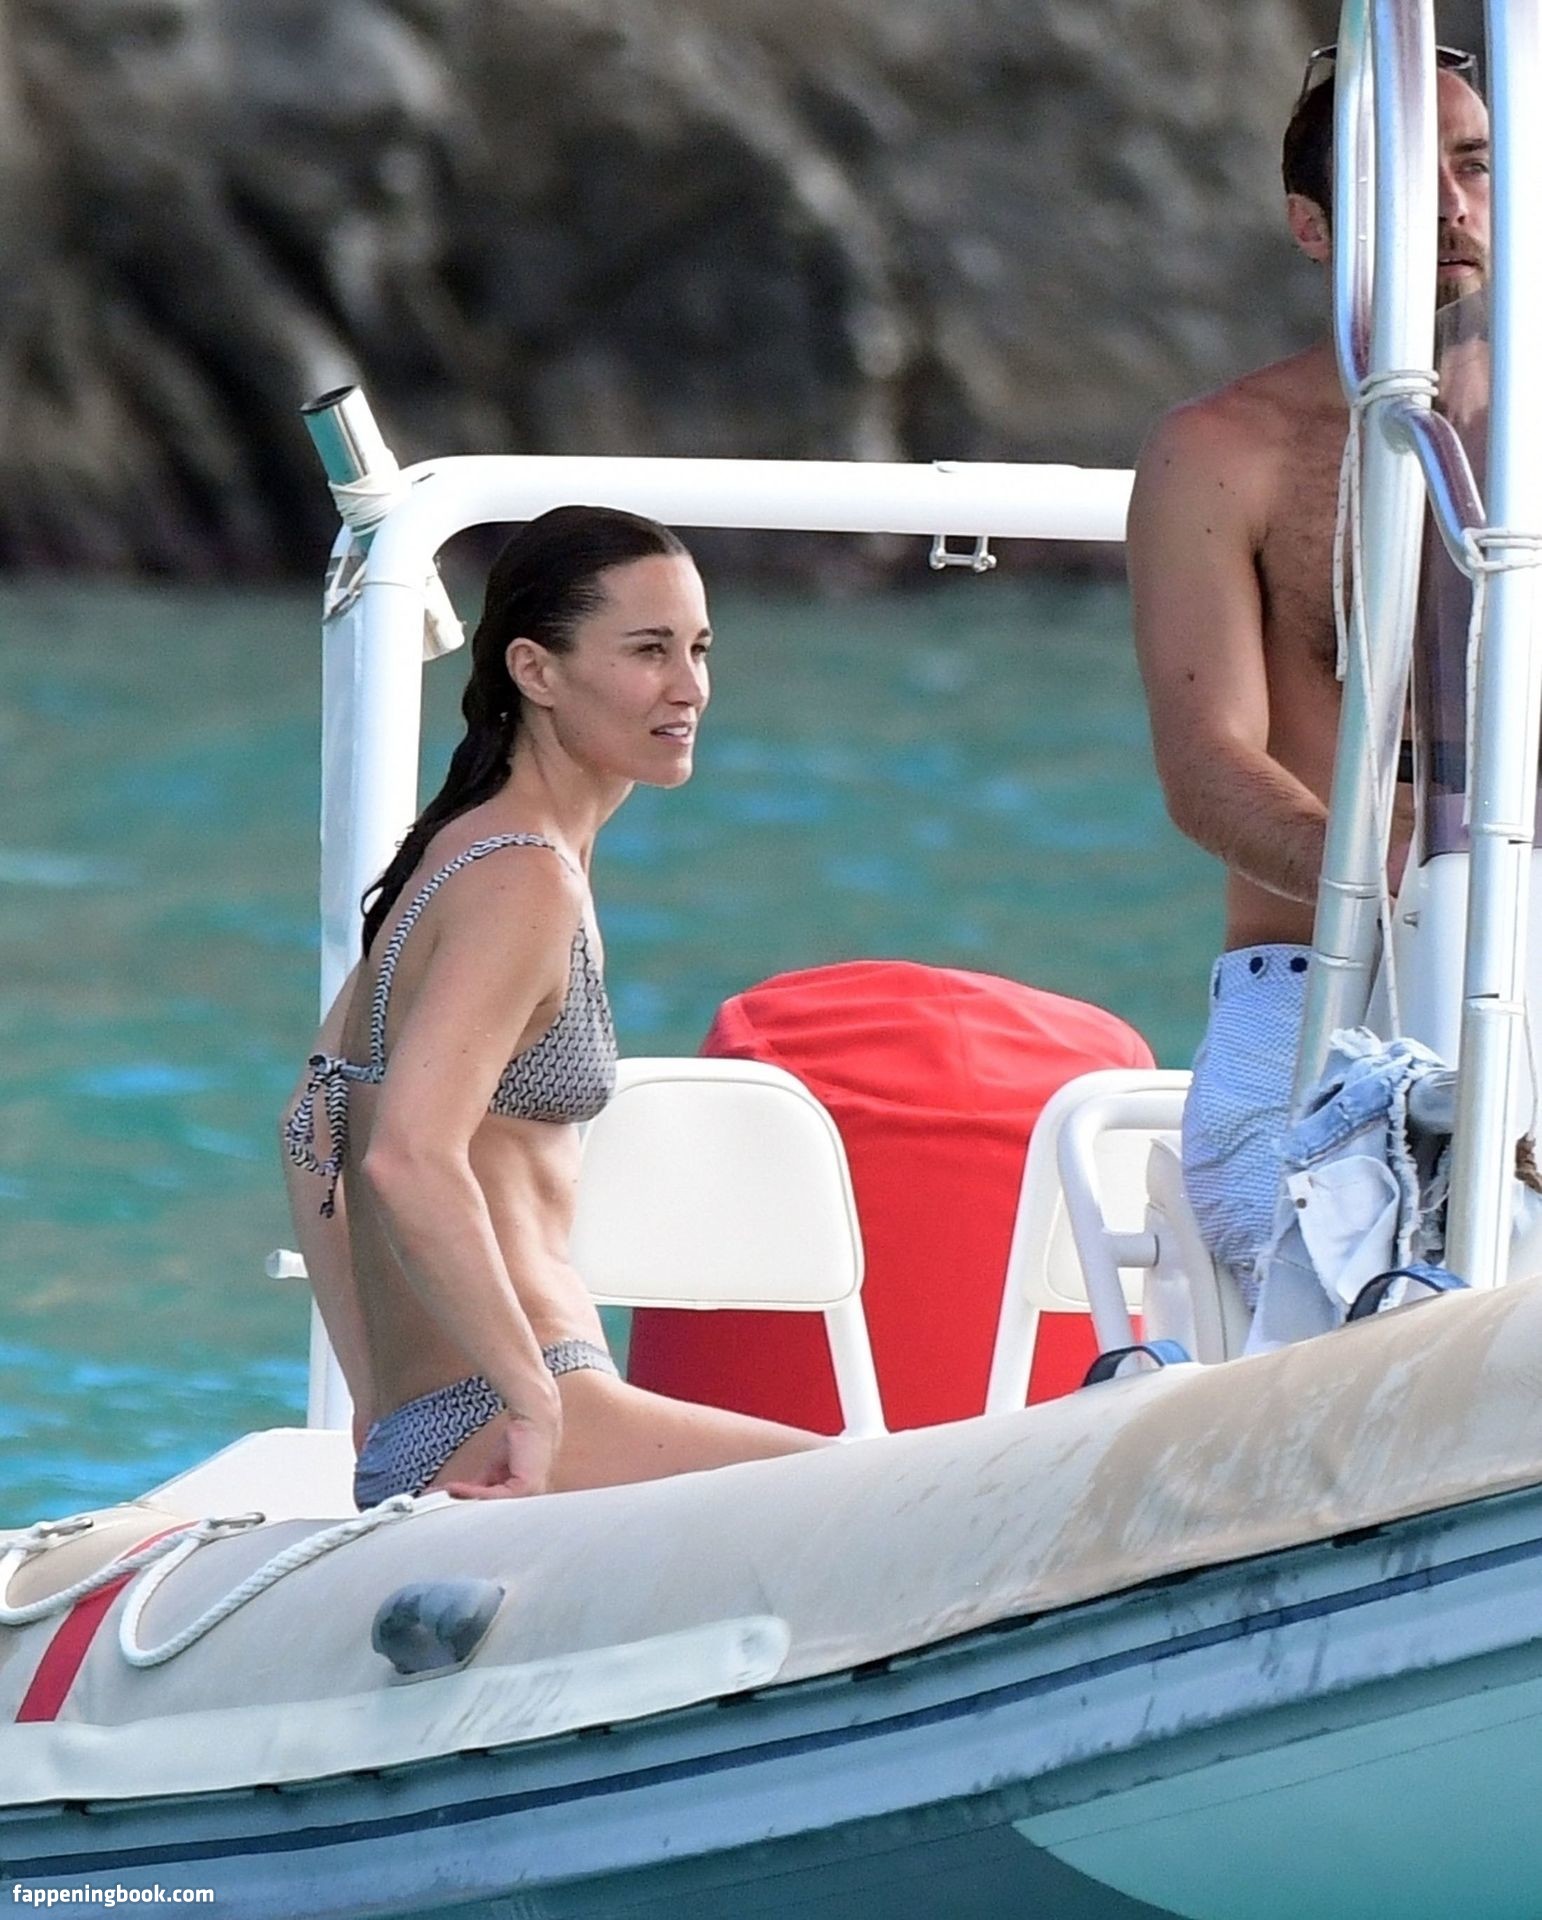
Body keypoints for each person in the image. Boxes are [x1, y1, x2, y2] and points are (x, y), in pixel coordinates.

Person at [281, 504, 825, 1504]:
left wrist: (379, 1401)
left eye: (699, 648)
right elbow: (406, 1153)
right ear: (536, 671)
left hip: (445, 1420)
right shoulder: (523, 879)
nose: (689, 686)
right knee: (896, 1493)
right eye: (649, 651)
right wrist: (531, 1402)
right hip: (519, 1406)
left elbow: (311, 1123)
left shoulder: (465, 852)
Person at [1126, 49, 1491, 1306]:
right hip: (1311, 1012)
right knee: (1387, 1276)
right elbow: (1206, 767)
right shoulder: (1223, 453)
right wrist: (1410, 887)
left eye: (1476, 165)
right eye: (1409, 176)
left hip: (1528, 970)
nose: (1453, 204)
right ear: (1313, 225)